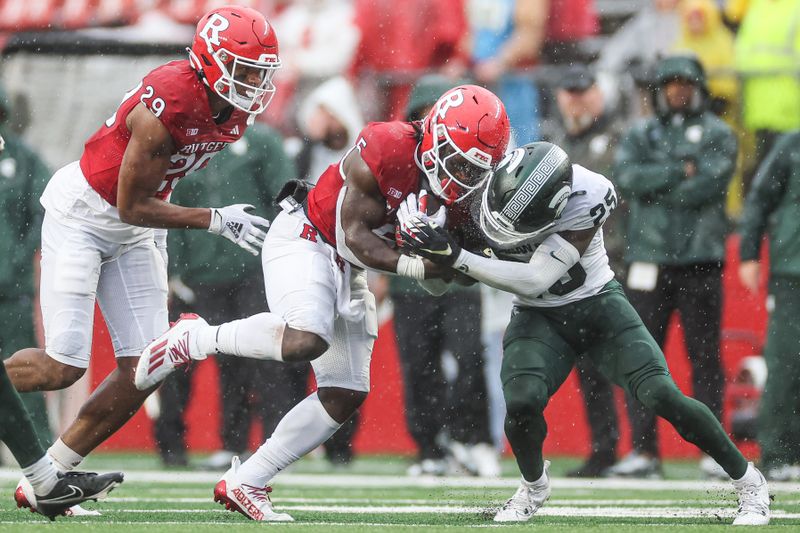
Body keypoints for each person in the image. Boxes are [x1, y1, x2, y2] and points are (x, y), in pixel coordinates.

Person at [135, 84, 511, 521]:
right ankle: (195, 337)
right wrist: (418, 263)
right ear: (434, 130)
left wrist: (449, 257)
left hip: (347, 265)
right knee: (305, 339)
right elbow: (354, 235)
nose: (461, 172)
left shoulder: (467, 200)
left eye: (474, 166)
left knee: (346, 392)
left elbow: (438, 286)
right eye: (457, 155)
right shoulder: (388, 144)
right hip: (308, 237)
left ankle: (248, 480)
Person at [397, 141, 770, 526]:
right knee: (522, 402)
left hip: (597, 307)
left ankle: (749, 482)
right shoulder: (480, 192)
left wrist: (455, 255)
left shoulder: (588, 193)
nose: (507, 231)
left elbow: (535, 278)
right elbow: (440, 287)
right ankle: (533, 486)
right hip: (539, 317)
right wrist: (425, 255)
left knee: (661, 394)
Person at [5, 5, 282, 512]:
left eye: (259, 72)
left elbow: (142, 206)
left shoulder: (234, 107)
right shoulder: (169, 100)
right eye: (244, 69)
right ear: (208, 61)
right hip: (86, 214)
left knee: (146, 368)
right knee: (62, 365)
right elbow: (128, 202)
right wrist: (213, 219)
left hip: (137, 229)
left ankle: (49, 479)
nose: (252, 82)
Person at [611, 55, 736, 479]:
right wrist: (677, 171)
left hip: (700, 260)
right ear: (660, 90)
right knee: (642, 358)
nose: (679, 91)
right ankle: (644, 452)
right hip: (649, 259)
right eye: (671, 84)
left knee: (705, 358)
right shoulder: (640, 133)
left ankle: (713, 450)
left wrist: (660, 183)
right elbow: (626, 177)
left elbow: (708, 184)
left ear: (698, 87)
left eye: (686, 84)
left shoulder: (719, 132)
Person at [154, 121, 297, 469]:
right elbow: (173, 208)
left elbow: (289, 201)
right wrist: (175, 270)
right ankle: (232, 443)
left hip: (255, 269)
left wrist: (284, 256)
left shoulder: (262, 140)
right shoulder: (188, 142)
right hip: (204, 272)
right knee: (224, 358)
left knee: (267, 357)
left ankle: (278, 444)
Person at [389, 75, 498, 477]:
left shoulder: (472, 166)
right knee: (419, 367)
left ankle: (476, 440)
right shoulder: (398, 162)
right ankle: (431, 447)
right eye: (422, 117)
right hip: (409, 277)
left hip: (458, 275)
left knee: (469, 359)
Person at [550, 64, 625, 477]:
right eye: (570, 91)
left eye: (584, 91)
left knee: (633, 359)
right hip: (573, 269)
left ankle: (644, 452)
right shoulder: (555, 143)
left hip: (615, 262)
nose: (577, 99)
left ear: (599, 93)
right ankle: (605, 447)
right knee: (591, 366)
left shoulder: (621, 137)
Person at [738, 131, 800, 481]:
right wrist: (748, 253)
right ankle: (779, 454)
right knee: (787, 361)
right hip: (793, 271)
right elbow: (759, 199)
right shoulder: (791, 146)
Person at [0, 87, 52, 447]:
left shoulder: (24, 158)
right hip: (11, 282)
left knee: (26, 371)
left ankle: (39, 449)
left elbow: (43, 209)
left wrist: (18, 256)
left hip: (11, 288)